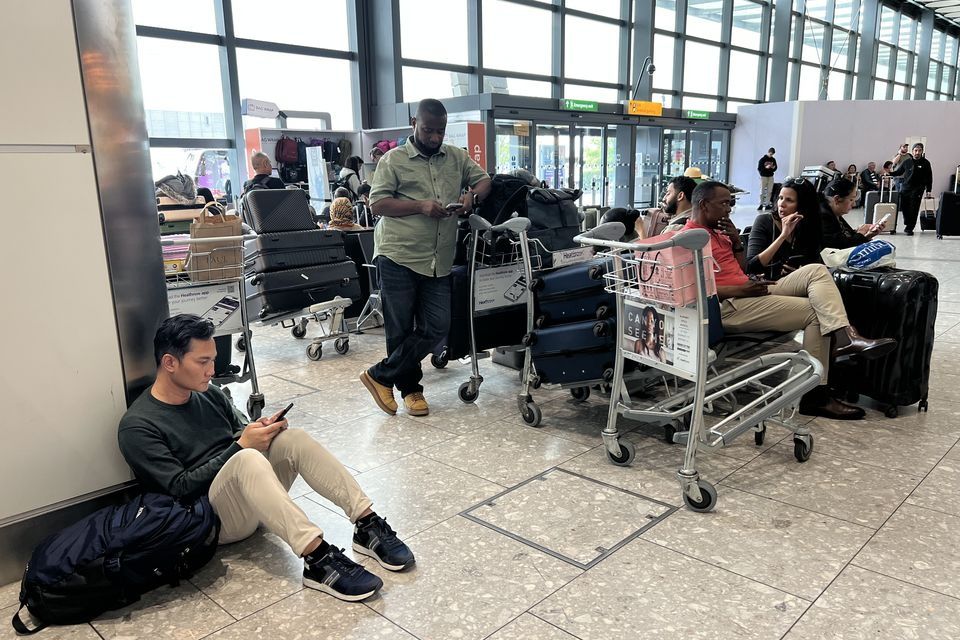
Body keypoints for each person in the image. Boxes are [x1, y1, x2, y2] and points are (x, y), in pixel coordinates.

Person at [118, 315, 414, 603]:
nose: (212, 370)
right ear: (170, 363)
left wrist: (261, 431)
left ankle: (367, 524)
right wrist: (241, 447)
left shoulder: (210, 394)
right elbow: (179, 489)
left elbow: (239, 433)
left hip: (251, 497)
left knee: (292, 438)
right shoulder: (138, 425)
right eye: (203, 361)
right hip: (209, 521)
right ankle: (317, 558)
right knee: (246, 458)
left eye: (213, 360)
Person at [683, 181, 897, 420]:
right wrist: (741, 289)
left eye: (730, 203)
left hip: (749, 292)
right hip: (727, 305)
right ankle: (814, 394)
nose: (729, 209)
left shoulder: (719, 233)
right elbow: (692, 290)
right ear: (704, 205)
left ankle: (844, 336)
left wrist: (736, 243)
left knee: (816, 271)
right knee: (817, 313)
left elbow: (742, 271)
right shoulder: (688, 240)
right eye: (724, 204)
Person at [360, 98, 492, 417]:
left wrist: (471, 196)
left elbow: (485, 180)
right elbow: (377, 204)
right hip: (398, 254)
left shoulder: (456, 157)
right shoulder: (393, 160)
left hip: (438, 258)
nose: (434, 137)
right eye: (428, 130)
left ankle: (379, 375)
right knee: (400, 328)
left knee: (437, 325)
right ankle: (411, 391)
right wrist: (421, 206)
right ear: (414, 124)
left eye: (440, 131)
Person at [745, 177, 823, 281]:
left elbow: (814, 261)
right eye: (780, 198)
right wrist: (783, 236)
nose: (781, 204)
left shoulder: (808, 224)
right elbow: (751, 267)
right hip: (768, 283)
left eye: (789, 200)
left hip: (798, 281)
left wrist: (800, 271)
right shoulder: (764, 221)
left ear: (803, 205)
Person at [820, 177, 886, 249]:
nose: (854, 204)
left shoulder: (833, 212)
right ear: (837, 199)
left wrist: (867, 234)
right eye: (851, 200)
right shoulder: (823, 217)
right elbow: (840, 247)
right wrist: (860, 233)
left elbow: (842, 238)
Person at [887, 142, 933, 236]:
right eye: (916, 150)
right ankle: (907, 222)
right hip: (906, 187)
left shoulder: (926, 163)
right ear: (912, 151)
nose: (917, 152)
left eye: (919, 150)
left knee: (914, 208)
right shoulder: (907, 161)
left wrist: (928, 190)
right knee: (905, 207)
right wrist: (889, 173)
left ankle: (910, 227)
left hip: (918, 189)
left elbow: (929, 177)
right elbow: (899, 172)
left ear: (922, 151)